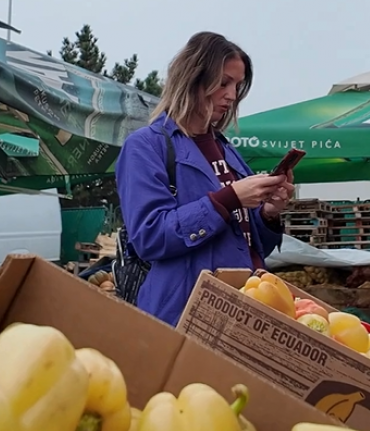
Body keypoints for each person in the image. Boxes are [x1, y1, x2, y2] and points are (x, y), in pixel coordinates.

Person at [115, 32, 294, 326]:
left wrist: (268, 214)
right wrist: (229, 198)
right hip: (185, 315)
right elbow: (149, 237)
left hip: (245, 312)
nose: (232, 95)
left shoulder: (226, 149)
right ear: (192, 78)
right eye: (223, 82)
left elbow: (246, 239)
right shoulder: (146, 146)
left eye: (237, 85)